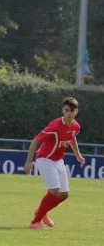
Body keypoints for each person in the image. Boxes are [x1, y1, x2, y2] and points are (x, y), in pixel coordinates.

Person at [24, 97, 85, 229]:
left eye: (72, 110)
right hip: (45, 159)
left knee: (64, 194)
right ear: (63, 110)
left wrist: (78, 156)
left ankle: (42, 211)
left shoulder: (76, 126)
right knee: (54, 190)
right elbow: (36, 140)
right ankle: (35, 222)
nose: (69, 113)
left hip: (58, 161)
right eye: (66, 110)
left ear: (76, 112)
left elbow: (72, 138)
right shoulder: (55, 126)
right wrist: (29, 161)